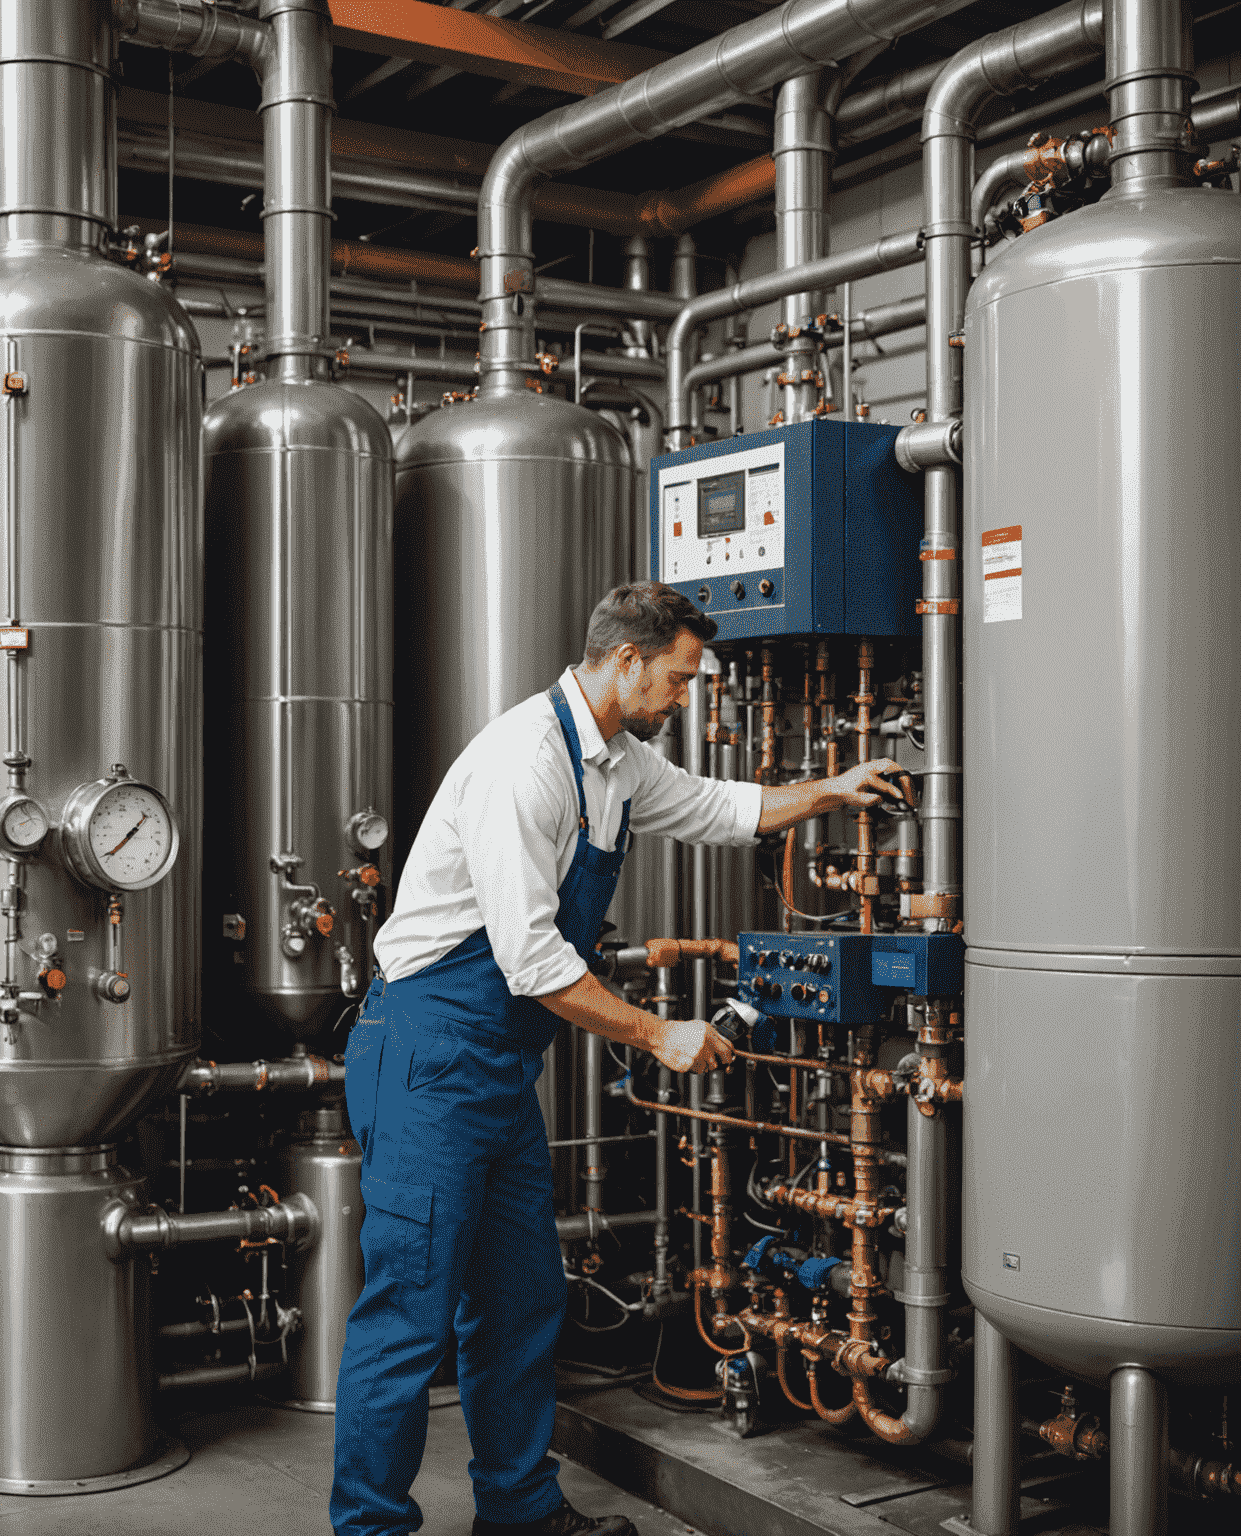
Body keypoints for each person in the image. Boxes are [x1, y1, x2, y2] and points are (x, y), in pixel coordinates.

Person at [330, 582, 910, 1536]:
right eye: (679, 678)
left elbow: (719, 807)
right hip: (427, 1055)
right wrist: (658, 1032)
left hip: (498, 1073)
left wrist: (828, 791)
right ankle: (369, 1527)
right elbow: (530, 961)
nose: (686, 696)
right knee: (408, 1315)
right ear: (627, 661)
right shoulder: (528, 764)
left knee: (520, 1303)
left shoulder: (619, 761)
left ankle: (517, 1511)